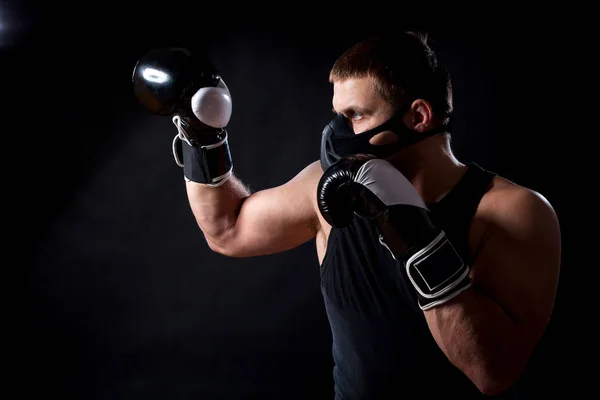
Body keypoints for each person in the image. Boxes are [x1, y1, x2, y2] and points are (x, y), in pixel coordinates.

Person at [132, 32, 561, 399]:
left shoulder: (513, 212)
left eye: (354, 115)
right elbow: (228, 230)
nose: (337, 132)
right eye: (337, 114)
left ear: (418, 116)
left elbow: (492, 374)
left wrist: (413, 231)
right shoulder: (327, 185)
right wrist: (202, 136)